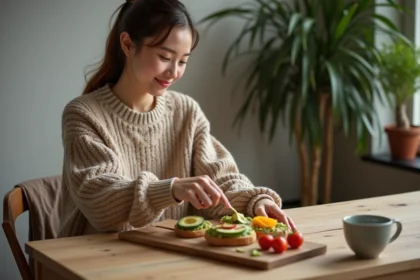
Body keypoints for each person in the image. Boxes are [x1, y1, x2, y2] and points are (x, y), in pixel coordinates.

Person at [58, 0, 296, 238]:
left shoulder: (186, 111)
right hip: (93, 257)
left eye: (183, 61)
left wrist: (255, 202)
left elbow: (220, 179)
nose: (174, 72)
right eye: (165, 57)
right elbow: (101, 200)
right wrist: (170, 189)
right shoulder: (83, 114)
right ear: (128, 44)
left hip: (166, 255)